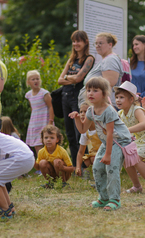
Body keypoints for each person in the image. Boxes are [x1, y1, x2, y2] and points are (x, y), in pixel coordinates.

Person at [70, 77, 132, 211]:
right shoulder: (90, 111)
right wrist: (76, 119)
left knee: (111, 169)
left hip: (119, 141)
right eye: (88, 90)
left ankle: (115, 200)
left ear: (104, 94)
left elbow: (110, 133)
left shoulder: (109, 110)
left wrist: (108, 154)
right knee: (97, 168)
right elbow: (82, 129)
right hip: (107, 142)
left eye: (95, 90)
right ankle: (103, 198)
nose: (90, 93)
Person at [58, 30, 95, 166]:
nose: (75, 44)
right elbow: (59, 80)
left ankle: (84, 166)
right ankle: (76, 166)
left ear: (85, 42)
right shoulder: (71, 59)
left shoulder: (89, 58)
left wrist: (69, 78)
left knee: (80, 132)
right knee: (70, 134)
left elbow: (79, 78)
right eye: (74, 41)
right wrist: (71, 78)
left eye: (78, 41)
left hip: (77, 97)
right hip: (65, 97)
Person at [78, 32, 123, 109]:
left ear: (110, 45)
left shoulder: (110, 60)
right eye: (96, 43)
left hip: (101, 108)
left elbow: (109, 83)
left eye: (100, 43)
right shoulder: (106, 59)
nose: (97, 46)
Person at [25, 70, 54, 154]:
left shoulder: (44, 93)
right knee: (37, 146)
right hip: (35, 124)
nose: (36, 81)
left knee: (48, 144)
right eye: (33, 79)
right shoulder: (28, 95)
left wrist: (50, 122)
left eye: (37, 79)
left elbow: (50, 107)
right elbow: (32, 109)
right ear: (28, 82)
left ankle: (50, 165)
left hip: (44, 122)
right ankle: (41, 165)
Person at [75, 102, 101, 180]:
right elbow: (80, 151)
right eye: (81, 112)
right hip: (95, 152)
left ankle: (101, 178)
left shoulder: (100, 126)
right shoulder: (85, 131)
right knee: (87, 161)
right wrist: (78, 167)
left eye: (85, 112)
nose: (82, 114)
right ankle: (93, 178)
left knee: (94, 159)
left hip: (106, 151)